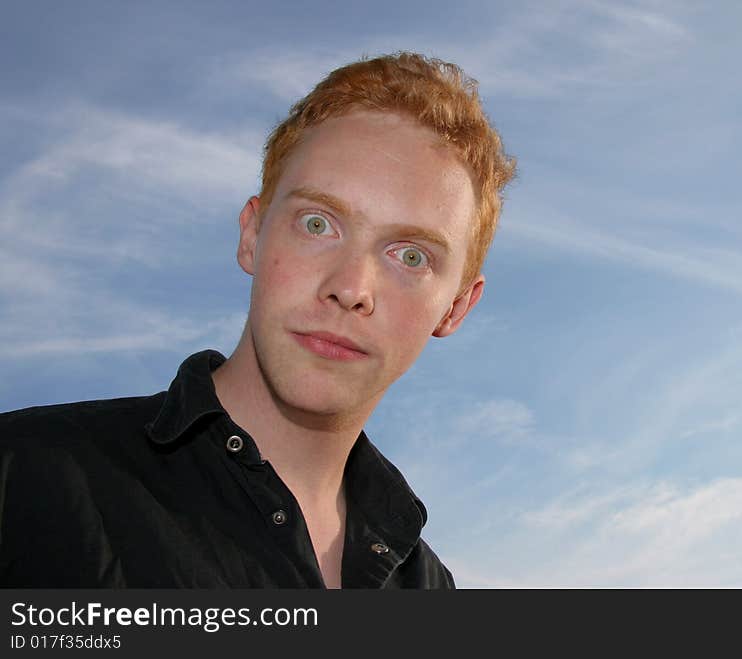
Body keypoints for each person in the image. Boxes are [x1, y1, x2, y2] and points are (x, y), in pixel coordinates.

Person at [0, 52, 516, 588]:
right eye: (318, 223)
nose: (351, 289)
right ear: (252, 234)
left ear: (456, 306)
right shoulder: (23, 483)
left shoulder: (432, 591)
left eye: (410, 256)